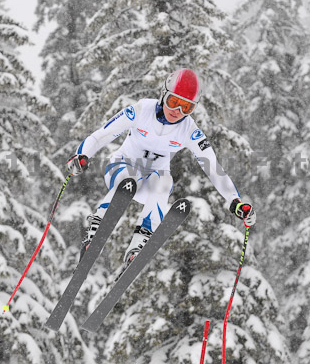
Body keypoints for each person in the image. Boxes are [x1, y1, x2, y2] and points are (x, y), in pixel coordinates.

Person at [66, 68, 256, 267]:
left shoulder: (189, 130)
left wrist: (234, 201)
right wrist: (82, 155)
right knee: (130, 177)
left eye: (186, 107)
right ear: (164, 95)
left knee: (164, 179)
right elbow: (103, 134)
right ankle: (96, 232)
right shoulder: (141, 110)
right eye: (174, 102)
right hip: (119, 171)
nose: (177, 111)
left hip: (150, 187)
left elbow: (212, 166)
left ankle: (139, 244)